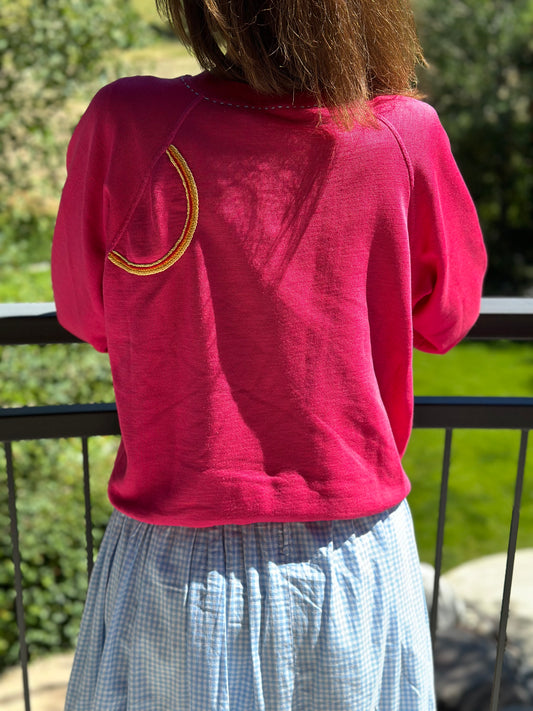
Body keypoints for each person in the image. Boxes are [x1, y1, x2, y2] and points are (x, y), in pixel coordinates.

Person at [51, 0, 487, 708]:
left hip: (178, 559)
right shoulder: (403, 133)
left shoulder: (129, 122)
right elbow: (446, 317)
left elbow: (85, 312)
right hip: (350, 553)